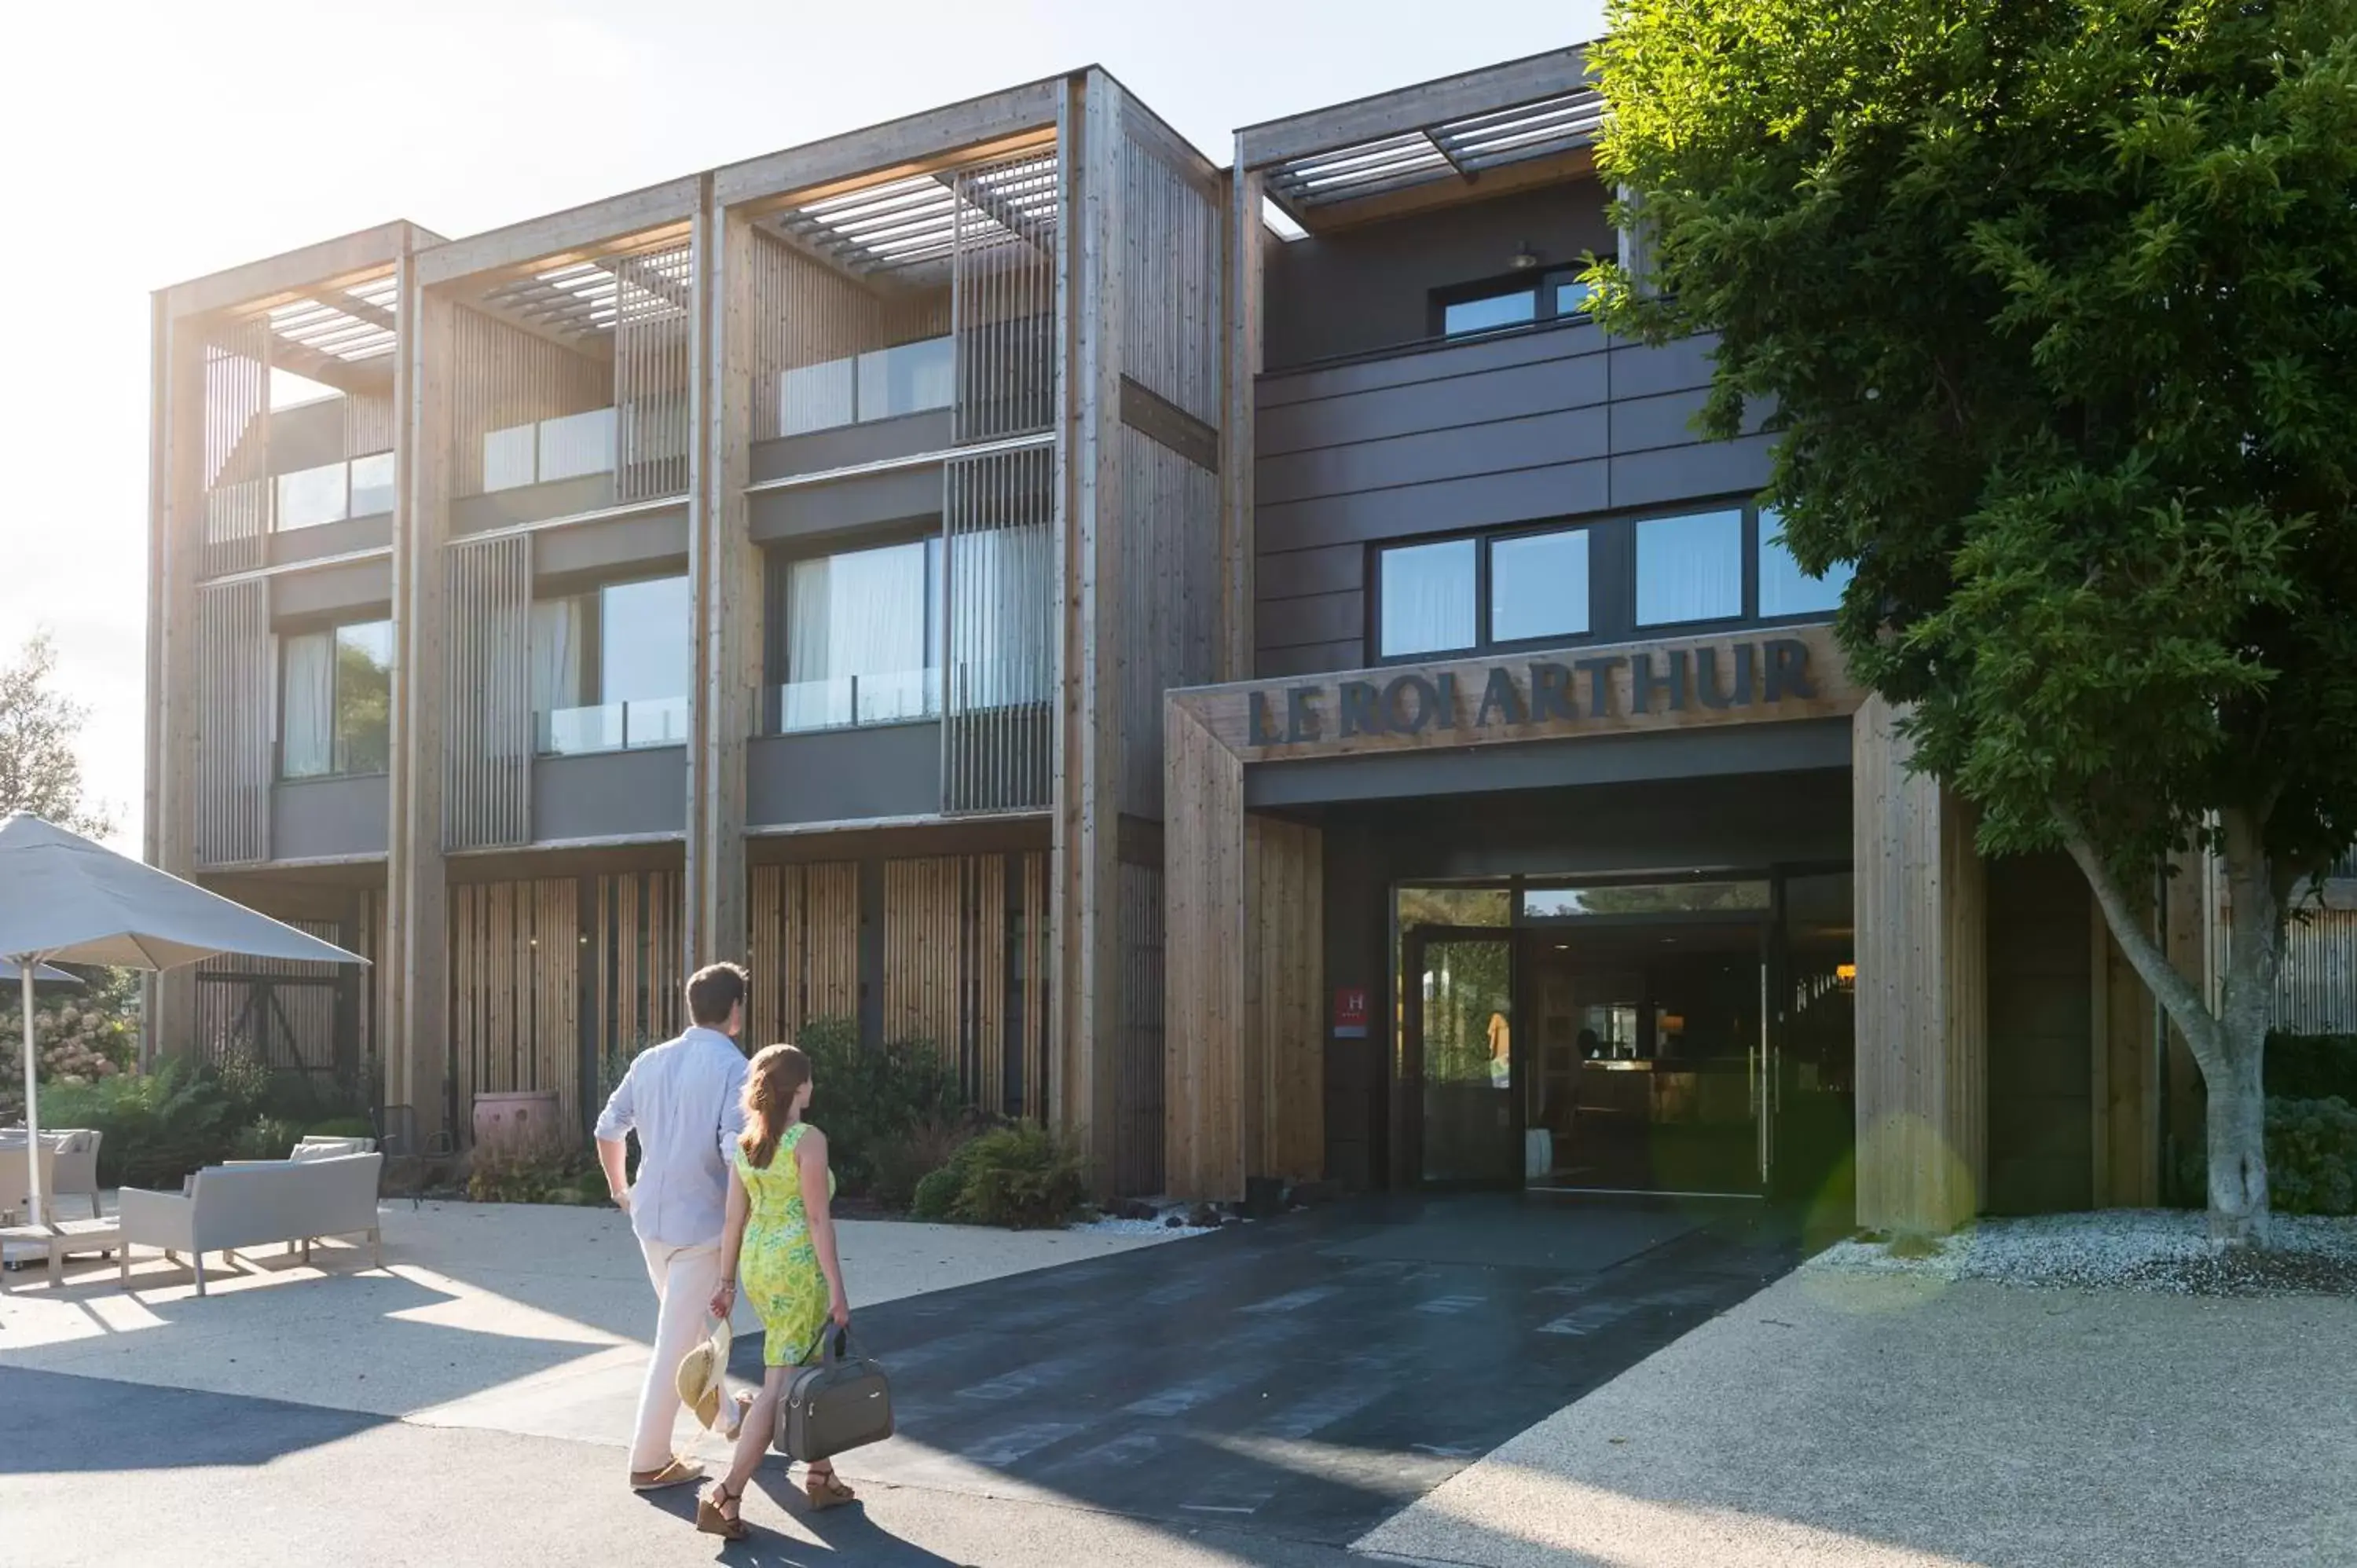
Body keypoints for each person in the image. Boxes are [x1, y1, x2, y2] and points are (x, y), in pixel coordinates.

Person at [594, 962, 753, 1493]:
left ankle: (729, 1417)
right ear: (735, 1011)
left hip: (651, 1221)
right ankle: (649, 1459)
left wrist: (621, 1191)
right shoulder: (737, 1069)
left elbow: (608, 1129)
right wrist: (739, 1239)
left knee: (687, 1332)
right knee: (676, 1341)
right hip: (702, 1225)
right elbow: (737, 1157)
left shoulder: (650, 1060)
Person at [696, 1042, 854, 1538]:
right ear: (800, 1087)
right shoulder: (807, 1139)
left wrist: (726, 1284)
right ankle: (727, 1494)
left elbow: (733, 1219)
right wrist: (837, 1287)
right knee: (780, 1384)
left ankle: (821, 1474)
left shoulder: (747, 1143)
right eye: (809, 1080)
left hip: (758, 1265)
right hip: (796, 1267)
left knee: (800, 1362)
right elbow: (815, 1217)